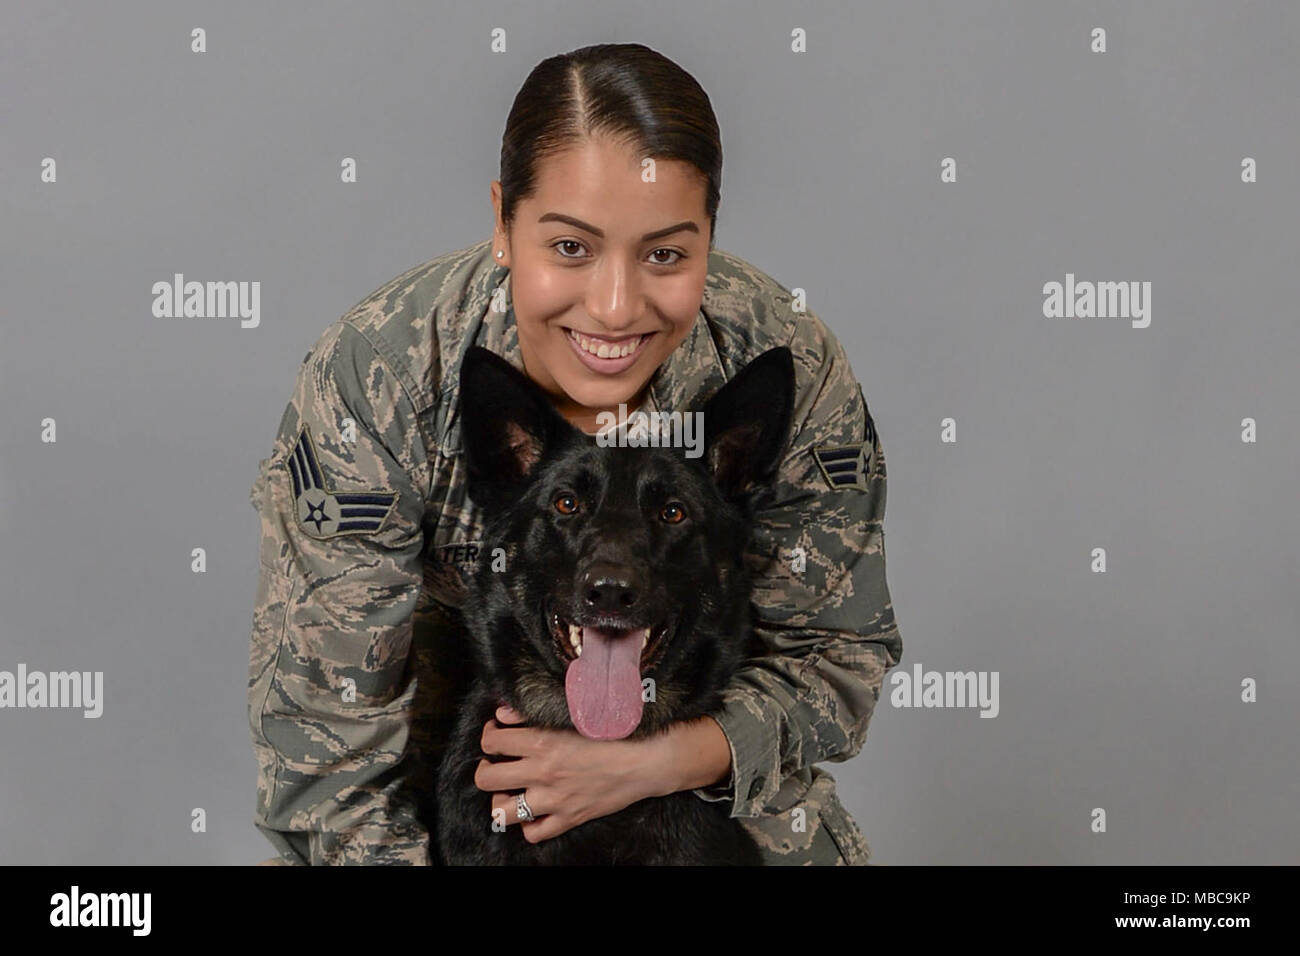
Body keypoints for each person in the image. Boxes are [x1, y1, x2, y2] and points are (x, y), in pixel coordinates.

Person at [246, 42, 901, 866]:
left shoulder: (784, 363)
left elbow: (837, 657)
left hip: (697, 747)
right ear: (501, 223)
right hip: (437, 752)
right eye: (570, 248)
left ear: (709, 238)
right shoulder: (378, 375)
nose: (616, 307)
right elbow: (326, 752)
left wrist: (657, 762)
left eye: (666, 252)